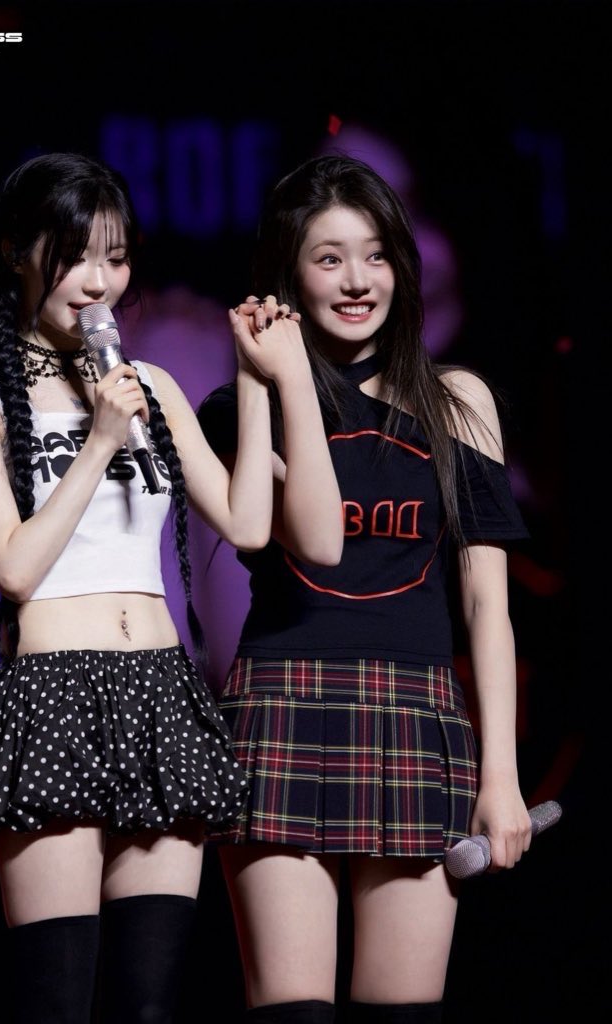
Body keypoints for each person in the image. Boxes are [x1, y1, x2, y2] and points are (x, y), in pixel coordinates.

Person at [0, 151, 338, 1024]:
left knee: (149, 1005)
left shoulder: (152, 384)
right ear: (16, 253)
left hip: (159, 691)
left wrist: (253, 378)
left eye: (114, 259)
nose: (98, 282)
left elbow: (248, 524)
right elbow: (14, 567)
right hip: (51, 697)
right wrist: (98, 441)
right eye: (74, 257)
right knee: (57, 1001)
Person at [197, 154, 534, 1024]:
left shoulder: (457, 400)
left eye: (376, 254)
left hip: (416, 715)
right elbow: (315, 540)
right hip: (280, 707)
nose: (358, 280)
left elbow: (487, 607)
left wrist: (499, 775)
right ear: (287, 274)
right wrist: (284, 379)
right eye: (329, 257)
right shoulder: (240, 406)